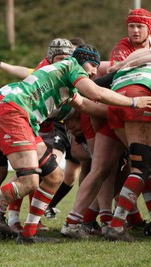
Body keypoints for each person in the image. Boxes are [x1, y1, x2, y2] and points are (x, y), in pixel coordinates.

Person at [0, 44, 151, 248]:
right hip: (14, 114)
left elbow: (86, 105)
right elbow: (96, 94)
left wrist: (115, 113)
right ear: (82, 61)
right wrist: (133, 103)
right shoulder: (71, 66)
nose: (95, 71)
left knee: (54, 176)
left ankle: (28, 234)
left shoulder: (65, 78)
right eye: (92, 66)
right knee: (29, 181)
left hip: (22, 118)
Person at [61, 8, 151, 238]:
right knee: (137, 167)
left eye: (140, 26)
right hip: (119, 103)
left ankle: (76, 222)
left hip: (112, 105)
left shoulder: (137, 53)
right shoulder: (122, 47)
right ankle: (113, 222)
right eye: (131, 26)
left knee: (114, 167)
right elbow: (100, 85)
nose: (135, 30)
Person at [0, 38, 75, 235]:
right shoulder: (56, 74)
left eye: (68, 58)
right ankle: (11, 220)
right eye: (60, 57)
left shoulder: (48, 69)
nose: (64, 62)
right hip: (8, 113)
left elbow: (25, 71)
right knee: (33, 172)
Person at [104, 62, 151, 242]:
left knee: (145, 164)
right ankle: (116, 226)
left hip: (115, 102)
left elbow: (100, 78)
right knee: (141, 168)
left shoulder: (132, 62)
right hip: (139, 99)